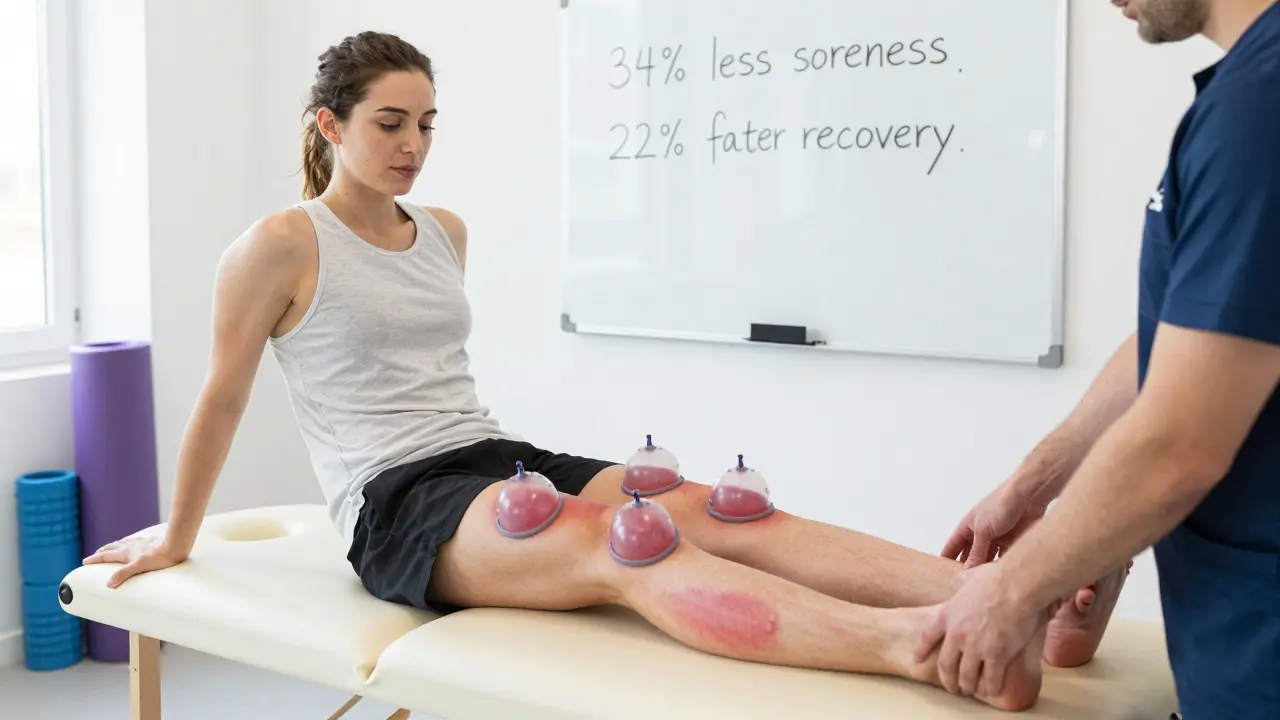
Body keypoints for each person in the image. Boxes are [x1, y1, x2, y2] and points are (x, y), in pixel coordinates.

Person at [84, 30, 1124, 712]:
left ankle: (993, 594)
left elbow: (446, 382)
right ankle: (920, 644)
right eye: (388, 124)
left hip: (485, 452)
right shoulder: (277, 244)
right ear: (330, 126)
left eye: (426, 124)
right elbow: (221, 397)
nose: (413, 146)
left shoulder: (442, 229)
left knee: (707, 504)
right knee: (612, 542)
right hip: (393, 503)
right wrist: (177, 537)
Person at [921, 0, 1280, 717]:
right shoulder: (1248, 91)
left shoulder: (1260, 110)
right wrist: (1039, 481)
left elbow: (1178, 448)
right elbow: (1195, 333)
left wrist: (1017, 587)